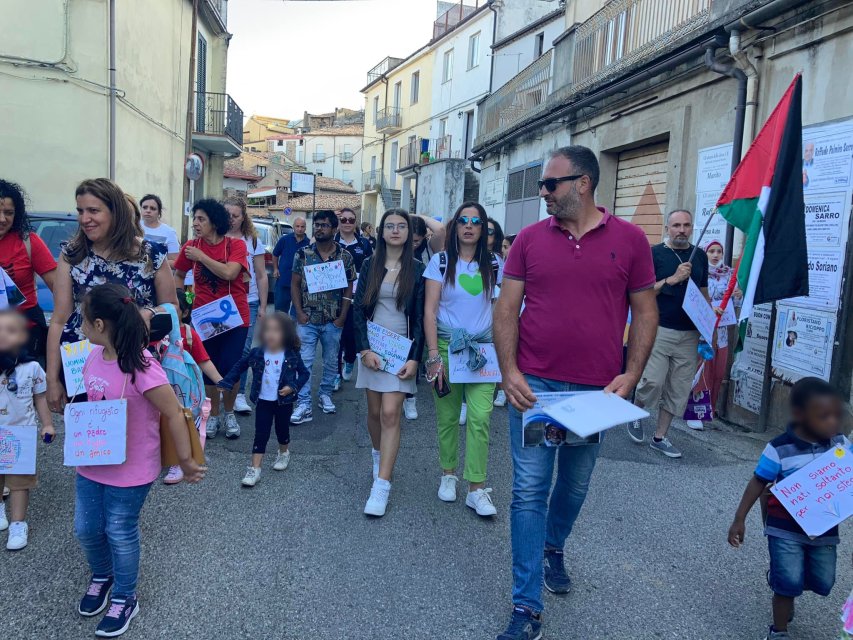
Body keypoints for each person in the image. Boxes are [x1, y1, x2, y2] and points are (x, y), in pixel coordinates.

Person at [493, 146, 657, 640]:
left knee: (576, 485)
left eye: (551, 184)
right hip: (536, 389)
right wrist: (509, 371)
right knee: (527, 492)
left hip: (595, 394)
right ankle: (526, 608)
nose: (543, 192)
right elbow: (505, 310)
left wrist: (631, 375)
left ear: (583, 184)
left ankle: (553, 546)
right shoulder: (527, 241)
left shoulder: (630, 241)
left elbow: (646, 314)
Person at [74, 284, 204, 637]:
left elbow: (175, 414)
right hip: (92, 462)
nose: (80, 325)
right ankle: (102, 575)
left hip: (132, 470)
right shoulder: (91, 355)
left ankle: (125, 596)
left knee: (119, 530)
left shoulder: (142, 366)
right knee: (86, 528)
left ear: (100, 325)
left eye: (83, 319)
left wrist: (187, 460)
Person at [728, 377, 847, 640]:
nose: (833, 423)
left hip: (823, 528)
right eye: (824, 416)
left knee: (824, 582)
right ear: (800, 415)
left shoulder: (839, 443)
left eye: (836, 416)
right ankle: (779, 629)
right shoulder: (779, 448)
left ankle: (784, 581)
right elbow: (758, 481)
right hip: (785, 527)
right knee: (787, 583)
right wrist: (739, 519)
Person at [46, 178, 177, 413]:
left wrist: (147, 313)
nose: (85, 219)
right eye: (80, 211)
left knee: (138, 437)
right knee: (91, 443)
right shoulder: (72, 254)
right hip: (82, 366)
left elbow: (172, 307)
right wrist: (52, 378)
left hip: (135, 367)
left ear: (115, 212)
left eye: (93, 211)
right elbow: (58, 319)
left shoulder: (150, 255)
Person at [424, 201, 502, 518]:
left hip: (483, 352)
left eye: (476, 221)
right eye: (463, 221)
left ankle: (476, 488)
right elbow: (429, 310)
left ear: (483, 229)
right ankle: (448, 473)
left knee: (481, 417)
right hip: (446, 349)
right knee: (447, 416)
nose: (469, 226)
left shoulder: (496, 264)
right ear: (455, 227)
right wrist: (432, 356)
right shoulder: (440, 263)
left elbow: (500, 312)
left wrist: (504, 353)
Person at [353, 209, 425, 517]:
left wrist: (416, 359)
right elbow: (357, 311)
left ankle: (381, 485)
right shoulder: (370, 265)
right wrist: (364, 350)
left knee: (391, 412)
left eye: (401, 226)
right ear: (382, 232)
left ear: (409, 233)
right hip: (373, 349)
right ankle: (378, 454)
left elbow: (422, 318)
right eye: (390, 226)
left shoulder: (419, 269)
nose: (395, 230)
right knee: (373, 412)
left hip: (402, 351)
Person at [628, 209, 709, 458]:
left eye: (686, 225)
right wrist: (671, 280)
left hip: (689, 333)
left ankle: (660, 437)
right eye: (676, 225)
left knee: (678, 389)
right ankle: (635, 413)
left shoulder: (701, 256)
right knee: (652, 381)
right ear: (667, 228)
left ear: (691, 228)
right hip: (660, 328)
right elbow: (640, 292)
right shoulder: (654, 254)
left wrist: (707, 326)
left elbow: (703, 291)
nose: (681, 230)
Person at [173, 199, 250, 440]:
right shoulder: (191, 246)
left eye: (201, 219)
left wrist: (201, 257)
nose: (195, 223)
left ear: (214, 223)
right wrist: (184, 300)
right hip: (203, 317)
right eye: (194, 218)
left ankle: (229, 413)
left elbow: (230, 273)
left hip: (234, 316)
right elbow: (178, 273)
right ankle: (213, 415)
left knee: (230, 367)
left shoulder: (235, 245)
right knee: (208, 368)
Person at [217, 312, 308, 487]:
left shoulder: (291, 354)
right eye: (267, 330)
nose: (271, 334)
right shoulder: (257, 353)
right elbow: (240, 366)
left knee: (282, 430)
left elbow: (304, 374)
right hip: (263, 401)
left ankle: (284, 452)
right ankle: (255, 469)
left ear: (287, 334)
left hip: (284, 401)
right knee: (261, 434)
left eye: (276, 330)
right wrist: (227, 381)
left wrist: (292, 387)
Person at [290, 210, 356, 424]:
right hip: (308, 319)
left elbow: (349, 288)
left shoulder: (344, 256)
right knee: (305, 361)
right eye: (316, 224)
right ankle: (303, 403)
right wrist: (299, 312)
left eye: (324, 225)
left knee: (330, 362)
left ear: (334, 229)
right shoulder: (303, 254)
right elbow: (295, 284)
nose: (319, 228)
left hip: (333, 320)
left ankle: (325, 394)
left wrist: (342, 317)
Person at [0, 311, 54, 550]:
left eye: (11, 331)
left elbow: (40, 397)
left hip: (21, 434)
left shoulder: (32, 367)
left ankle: (18, 523)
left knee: (20, 481)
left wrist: (48, 424)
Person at [160, 292, 223, 485]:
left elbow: (204, 361)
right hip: (159, 386)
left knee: (181, 423)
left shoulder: (188, 334)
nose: (167, 313)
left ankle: (179, 461)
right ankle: (161, 457)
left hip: (183, 390)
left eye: (173, 309)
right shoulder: (154, 333)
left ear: (184, 312)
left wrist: (220, 381)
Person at [685, 240, 742, 429]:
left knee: (718, 372)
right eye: (711, 251)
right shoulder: (699, 273)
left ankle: (708, 410)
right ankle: (694, 412)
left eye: (719, 251)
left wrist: (738, 296)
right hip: (704, 329)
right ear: (705, 253)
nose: (716, 255)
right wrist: (712, 308)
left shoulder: (730, 275)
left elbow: (737, 306)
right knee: (703, 371)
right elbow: (695, 299)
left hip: (722, 331)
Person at [0, 179, 57, 359]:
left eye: (9, 213)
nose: (2, 219)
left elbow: (59, 288)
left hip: (24, 335)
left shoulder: (28, 241)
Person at [224, 197, 269, 415]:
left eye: (235, 215)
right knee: (219, 347)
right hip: (220, 302)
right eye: (227, 215)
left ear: (243, 217)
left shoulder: (252, 240)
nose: (231, 219)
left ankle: (239, 393)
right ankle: (217, 390)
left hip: (247, 301)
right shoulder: (215, 237)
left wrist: (262, 305)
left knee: (242, 349)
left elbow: (261, 275)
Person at [334, 207, 373, 390]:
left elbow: (371, 270)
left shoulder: (364, 244)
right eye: (343, 220)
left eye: (351, 220)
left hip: (356, 296)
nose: (347, 223)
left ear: (356, 222)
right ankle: (335, 373)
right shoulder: (331, 241)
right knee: (334, 336)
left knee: (350, 335)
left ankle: (349, 359)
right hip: (333, 295)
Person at [487, 217, 507, 408]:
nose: (485, 234)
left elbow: (502, 286)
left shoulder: (497, 260)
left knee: (497, 348)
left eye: (490, 232)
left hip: (494, 308)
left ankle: (501, 389)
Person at [272, 216, 309, 315]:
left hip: (300, 285)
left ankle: (293, 330)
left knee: (297, 314)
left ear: (305, 228)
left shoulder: (309, 244)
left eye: (302, 226)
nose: (300, 229)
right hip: (283, 280)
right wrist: (275, 269)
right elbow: (275, 254)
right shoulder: (284, 239)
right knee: (280, 313)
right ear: (293, 227)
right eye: (297, 226)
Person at [139, 195, 180, 264]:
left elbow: (175, 262)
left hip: (158, 273)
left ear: (159, 212)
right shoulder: (134, 226)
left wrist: (153, 264)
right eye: (145, 207)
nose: (148, 211)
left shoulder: (169, 232)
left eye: (153, 208)